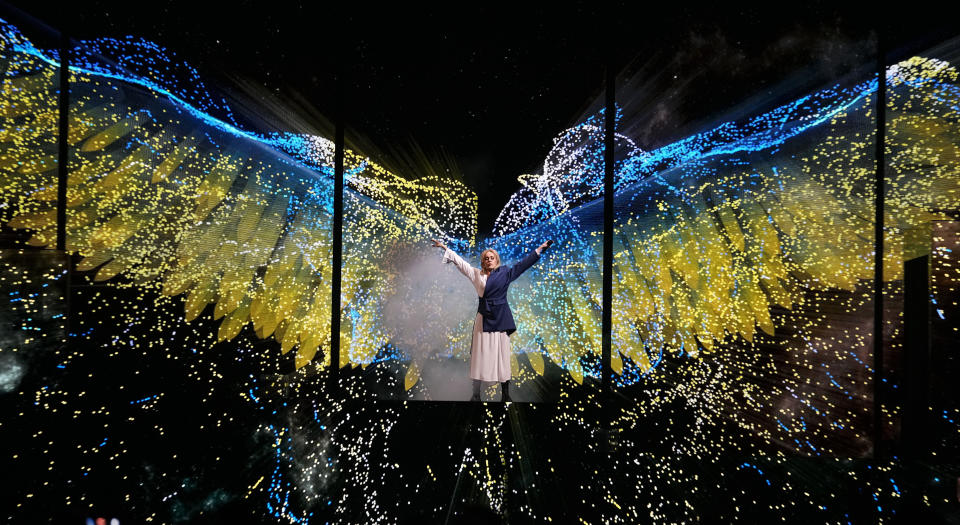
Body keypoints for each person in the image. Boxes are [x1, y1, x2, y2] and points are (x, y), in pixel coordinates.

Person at [431, 238, 552, 401]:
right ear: (483, 261)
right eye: (486, 258)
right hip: (483, 318)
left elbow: (523, 264)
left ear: (496, 260)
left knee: (501, 355)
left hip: (501, 319)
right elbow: (460, 261)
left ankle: (506, 394)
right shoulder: (476, 274)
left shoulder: (506, 273)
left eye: (492, 257)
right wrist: (444, 247)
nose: (489, 260)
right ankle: (475, 394)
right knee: (479, 355)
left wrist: (539, 249)